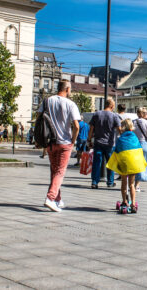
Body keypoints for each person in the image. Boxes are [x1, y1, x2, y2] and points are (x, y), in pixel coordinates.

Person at [39, 80, 81, 212]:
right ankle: (50, 198)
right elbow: (76, 126)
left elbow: (38, 118)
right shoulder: (70, 104)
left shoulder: (47, 101)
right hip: (64, 142)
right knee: (60, 171)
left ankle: (58, 199)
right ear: (67, 89)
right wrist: (73, 141)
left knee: (54, 170)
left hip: (50, 142)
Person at [106, 118, 147, 213]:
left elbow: (116, 151)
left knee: (124, 183)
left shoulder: (121, 139)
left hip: (124, 164)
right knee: (132, 184)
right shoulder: (135, 138)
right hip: (134, 163)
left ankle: (124, 201)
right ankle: (133, 203)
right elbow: (139, 150)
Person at [88, 98, 121, 189]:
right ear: (111, 106)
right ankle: (110, 182)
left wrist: (89, 140)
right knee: (110, 163)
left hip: (98, 142)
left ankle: (94, 182)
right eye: (113, 106)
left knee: (96, 163)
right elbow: (119, 129)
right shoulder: (114, 116)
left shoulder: (96, 114)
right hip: (109, 144)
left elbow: (91, 129)